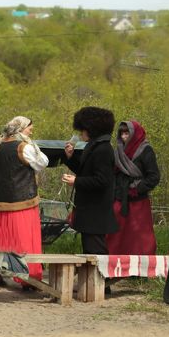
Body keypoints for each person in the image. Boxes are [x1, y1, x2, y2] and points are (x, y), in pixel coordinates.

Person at [0, 116, 49, 288]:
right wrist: (33, 145)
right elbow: (43, 162)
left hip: (4, 202)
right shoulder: (23, 147)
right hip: (24, 202)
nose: (31, 130)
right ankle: (29, 279)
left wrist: (6, 186)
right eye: (29, 127)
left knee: (2, 239)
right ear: (20, 129)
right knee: (23, 240)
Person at [61, 106, 118, 255]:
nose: (81, 133)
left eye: (83, 129)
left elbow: (102, 180)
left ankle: (101, 278)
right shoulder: (93, 146)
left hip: (96, 211)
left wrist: (76, 181)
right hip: (89, 210)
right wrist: (71, 157)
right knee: (89, 250)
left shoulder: (104, 149)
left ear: (92, 129)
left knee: (95, 251)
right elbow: (84, 171)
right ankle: (92, 278)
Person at [107, 119, 161, 254]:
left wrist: (137, 190)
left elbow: (154, 176)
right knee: (115, 234)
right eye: (122, 134)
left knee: (140, 236)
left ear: (135, 133)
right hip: (119, 198)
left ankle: (142, 269)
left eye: (127, 133)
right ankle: (114, 266)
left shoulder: (145, 150)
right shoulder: (119, 151)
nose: (124, 137)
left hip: (138, 201)